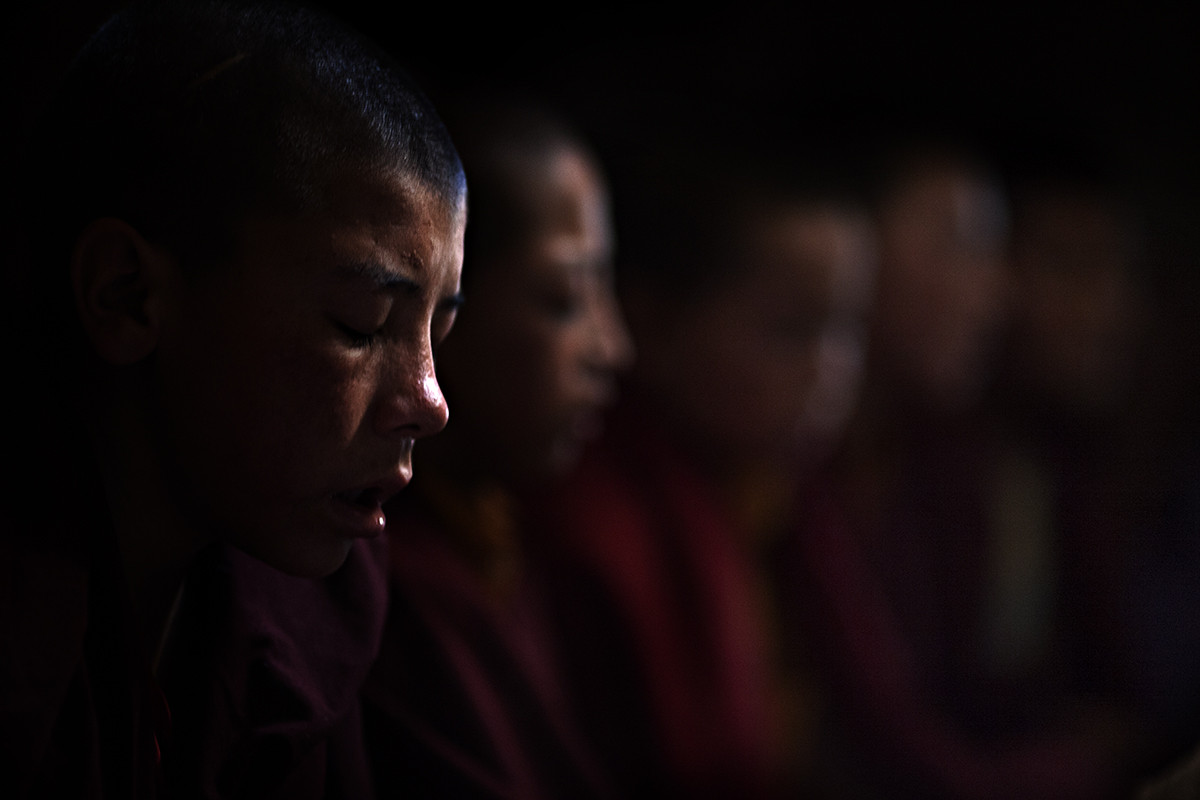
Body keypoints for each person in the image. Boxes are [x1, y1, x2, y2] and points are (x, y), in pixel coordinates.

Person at [1, 1, 465, 797]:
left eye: (440, 332)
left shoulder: (316, 613)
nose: (429, 400)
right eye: (360, 326)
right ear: (128, 294)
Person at [535, 152, 877, 798]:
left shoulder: (778, 499)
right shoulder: (601, 532)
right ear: (655, 327)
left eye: (846, 331)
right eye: (789, 329)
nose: (827, 373)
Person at [359, 98, 633, 799]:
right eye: (566, 299)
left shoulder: (502, 543)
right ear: (447, 309)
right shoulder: (377, 584)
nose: (614, 349)